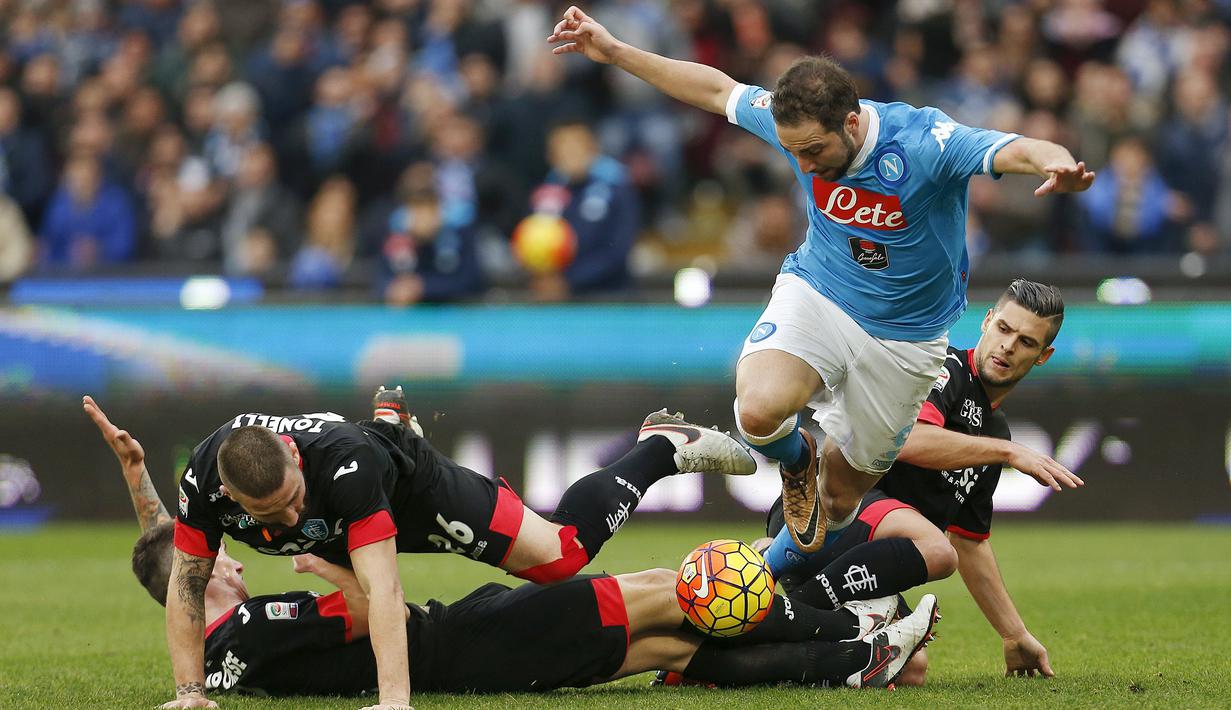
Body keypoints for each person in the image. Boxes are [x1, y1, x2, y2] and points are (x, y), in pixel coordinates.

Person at [549, 7, 1090, 556]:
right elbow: (717, 91)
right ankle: (795, 461)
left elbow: (1012, 147)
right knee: (758, 412)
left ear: (851, 123)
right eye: (794, 151)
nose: (804, 167)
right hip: (821, 290)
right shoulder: (797, 129)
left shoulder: (925, 143)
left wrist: (1056, 161)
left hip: (906, 337)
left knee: (838, 501)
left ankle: (771, 570)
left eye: (814, 150)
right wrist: (616, 52)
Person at [88, 395, 940, 697]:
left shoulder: (334, 473)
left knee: (568, 552)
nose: (268, 533)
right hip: (465, 636)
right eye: (261, 518)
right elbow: (176, 567)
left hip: (401, 487)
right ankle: (855, 643)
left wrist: (393, 701)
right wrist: (139, 479)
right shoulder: (209, 500)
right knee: (673, 624)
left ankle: (660, 447)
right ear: (228, 499)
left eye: (288, 501)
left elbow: (379, 596)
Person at [760, 279, 1077, 679]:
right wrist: (1010, 453)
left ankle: (743, 644)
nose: (1008, 346)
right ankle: (770, 601)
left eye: (1027, 342)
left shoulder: (994, 433)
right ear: (987, 321)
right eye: (1004, 329)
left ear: (1043, 356)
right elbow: (909, 441)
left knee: (910, 670)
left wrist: (1013, 635)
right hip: (827, 516)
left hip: (850, 562)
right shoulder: (942, 370)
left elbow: (970, 541)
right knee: (938, 551)